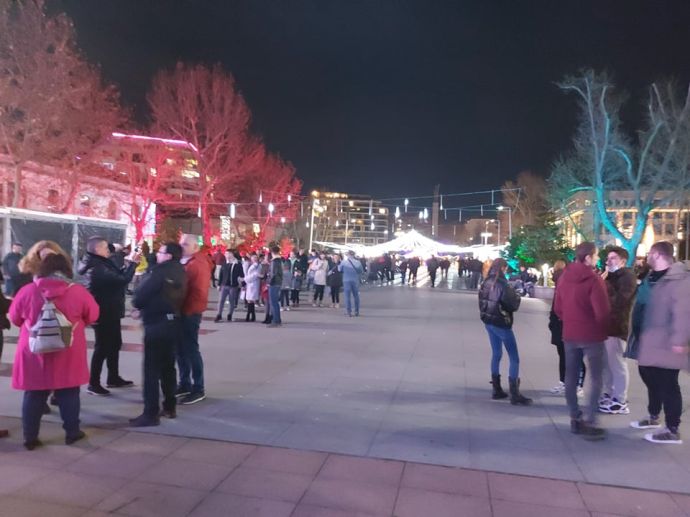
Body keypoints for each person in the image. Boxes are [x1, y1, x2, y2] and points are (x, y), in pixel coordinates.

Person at [9, 252, 99, 449]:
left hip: (34, 350)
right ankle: (72, 433)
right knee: (69, 391)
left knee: (34, 393)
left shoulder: (27, 291)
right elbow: (93, 315)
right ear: (66, 269)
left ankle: (30, 438)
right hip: (68, 349)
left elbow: (15, 318)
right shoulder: (78, 292)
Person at [628, 241, 690, 444]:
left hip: (667, 340)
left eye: (649, 254)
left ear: (657, 255)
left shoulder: (679, 279)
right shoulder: (651, 277)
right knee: (648, 374)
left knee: (668, 383)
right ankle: (653, 415)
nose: (647, 257)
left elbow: (683, 311)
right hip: (647, 338)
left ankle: (672, 430)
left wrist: (680, 339)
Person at [554, 242, 610, 440]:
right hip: (592, 334)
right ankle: (590, 420)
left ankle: (574, 416)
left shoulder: (564, 277)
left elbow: (558, 307)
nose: (598, 259)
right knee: (595, 377)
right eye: (596, 256)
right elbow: (602, 312)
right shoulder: (594, 280)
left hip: (570, 333)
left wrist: (570, 319)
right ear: (588, 258)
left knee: (571, 376)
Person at [129, 242, 187, 427]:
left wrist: (138, 307)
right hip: (173, 321)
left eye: (161, 252)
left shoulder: (159, 272)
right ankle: (170, 406)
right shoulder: (181, 271)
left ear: (168, 255)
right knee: (168, 367)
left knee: (151, 370)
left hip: (156, 323)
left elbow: (140, 295)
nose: (158, 254)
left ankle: (150, 413)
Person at [79, 236, 138, 395]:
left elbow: (117, 276)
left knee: (114, 344)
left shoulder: (102, 262)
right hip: (103, 312)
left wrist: (127, 266)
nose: (108, 250)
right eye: (106, 248)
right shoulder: (97, 267)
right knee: (102, 346)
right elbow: (122, 280)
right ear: (97, 249)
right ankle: (94, 383)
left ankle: (113, 377)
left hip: (111, 310)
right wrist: (133, 264)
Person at [478, 258, 531, 405]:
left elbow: (482, 302)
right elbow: (512, 305)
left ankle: (496, 389)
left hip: (489, 322)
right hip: (501, 323)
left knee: (496, 353)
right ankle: (514, 393)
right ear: (502, 268)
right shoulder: (503, 284)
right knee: (514, 357)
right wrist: (517, 296)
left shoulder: (486, 282)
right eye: (506, 268)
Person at [599, 246, 637, 415]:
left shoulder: (627, 277)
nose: (608, 261)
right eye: (608, 258)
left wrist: (604, 284)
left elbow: (620, 301)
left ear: (623, 261)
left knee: (617, 365)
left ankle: (620, 400)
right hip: (606, 327)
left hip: (617, 327)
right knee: (607, 365)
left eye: (613, 258)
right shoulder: (611, 276)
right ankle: (609, 394)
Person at [176, 234, 213, 405]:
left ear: (195, 247)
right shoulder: (189, 261)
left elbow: (186, 288)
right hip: (184, 309)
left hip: (190, 311)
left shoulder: (196, 264)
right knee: (181, 349)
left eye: (185, 244)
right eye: (181, 243)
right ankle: (185, 383)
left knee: (190, 349)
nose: (181, 246)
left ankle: (198, 388)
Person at [549, 259, 586, 397]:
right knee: (564, 354)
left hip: (572, 324)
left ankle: (577, 385)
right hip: (560, 322)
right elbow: (556, 303)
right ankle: (565, 382)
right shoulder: (563, 282)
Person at [215, 250, 243, 322]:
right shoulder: (224, 263)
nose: (225, 255)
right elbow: (221, 274)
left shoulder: (238, 264)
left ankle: (230, 314)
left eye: (227, 253)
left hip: (233, 286)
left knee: (231, 301)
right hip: (224, 285)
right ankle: (219, 314)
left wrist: (242, 284)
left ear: (231, 254)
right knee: (221, 300)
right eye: (225, 254)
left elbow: (242, 275)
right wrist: (219, 284)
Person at [339, 250, 364, 317]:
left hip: (346, 280)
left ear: (348, 255)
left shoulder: (343, 262)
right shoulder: (358, 262)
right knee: (356, 296)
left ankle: (349, 312)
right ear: (354, 255)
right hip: (355, 281)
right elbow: (361, 271)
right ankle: (356, 311)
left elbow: (339, 269)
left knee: (347, 296)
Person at [267, 245, 283, 327]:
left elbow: (273, 273)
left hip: (274, 283)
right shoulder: (279, 261)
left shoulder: (274, 261)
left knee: (273, 302)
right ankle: (277, 320)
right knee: (275, 302)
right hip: (278, 282)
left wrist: (269, 282)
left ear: (272, 252)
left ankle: (275, 320)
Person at [244, 254, 261, 322]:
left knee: (251, 300)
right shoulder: (251, 265)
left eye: (255, 257)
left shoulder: (257, 266)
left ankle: (249, 315)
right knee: (249, 300)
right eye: (253, 257)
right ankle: (251, 315)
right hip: (250, 284)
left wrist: (246, 279)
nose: (254, 258)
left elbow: (255, 275)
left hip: (253, 284)